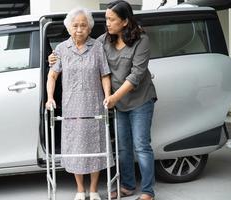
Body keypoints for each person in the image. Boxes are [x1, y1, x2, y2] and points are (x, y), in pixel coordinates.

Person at [49, 1, 157, 200]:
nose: (106, 23)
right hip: (118, 102)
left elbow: (136, 75)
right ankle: (127, 185)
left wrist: (112, 97)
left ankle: (148, 191)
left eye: (111, 19)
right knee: (123, 147)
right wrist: (54, 58)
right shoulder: (103, 41)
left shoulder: (141, 40)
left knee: (141, 145)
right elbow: (82, 42)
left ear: (124, 22)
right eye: (106, 18)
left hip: (139, 99)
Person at [45, 7, 113, 200]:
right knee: (76, 147)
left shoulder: (97, 47)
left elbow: (105, 75)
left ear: (90, 28)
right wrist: (50, 97)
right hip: (71, 105)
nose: (79, 29)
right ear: (69, 28)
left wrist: (107, 96)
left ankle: (93, 190)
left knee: (95, 147)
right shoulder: (61, 49)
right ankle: (80, 190)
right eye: (75, 25)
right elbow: (52, 76)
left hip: (94, 104)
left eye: (83, 25)